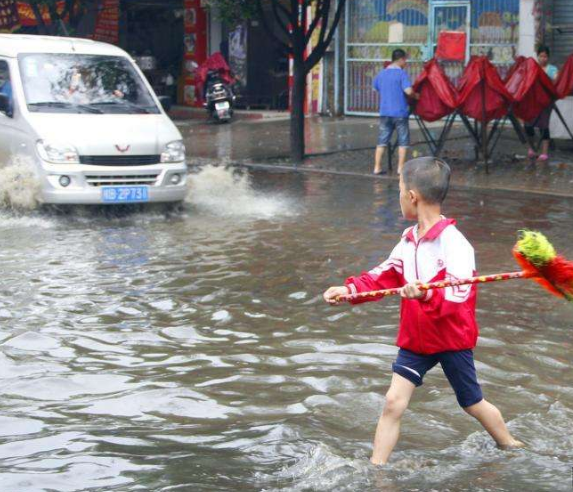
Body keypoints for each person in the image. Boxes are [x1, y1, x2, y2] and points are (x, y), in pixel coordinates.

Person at [323, 157, 524, 465]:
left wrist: (424, 295)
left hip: (451, 340)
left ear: (412, 197)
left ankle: (511, 446)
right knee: (393, 402)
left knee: (471, 403)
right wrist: (349, 291)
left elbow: (459, 294)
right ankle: (377, 471)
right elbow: (383, 276)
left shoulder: (455, 244)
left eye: (400, 189)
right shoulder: (407, 241)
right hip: (416, 341)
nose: (400, 196)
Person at [372, 49, 419, 175]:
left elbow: (376, 87)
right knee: (403, 141)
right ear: (401, 59)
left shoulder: (381, 73)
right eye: (405, 60)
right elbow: (408, 91)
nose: (406, 63)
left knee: (382, 140)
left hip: (385, 112)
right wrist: (416, 96)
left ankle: (377, 168)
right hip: (400, 112)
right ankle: (400, 168)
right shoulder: (401, 74)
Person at [525, 45, 559, 162]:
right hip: (533, 102)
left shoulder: (552, 69)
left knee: (543, 126)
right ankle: (532, 149)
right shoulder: (533, 68)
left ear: (548, 57)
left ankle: (544, 153)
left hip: (545, 103)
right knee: (528, 125)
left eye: (545, 56)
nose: (543, 58)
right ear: (537, 56)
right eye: (541, 56)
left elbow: (555, 80)